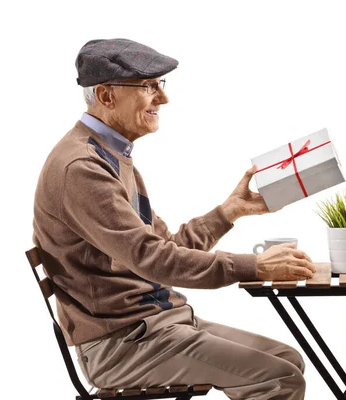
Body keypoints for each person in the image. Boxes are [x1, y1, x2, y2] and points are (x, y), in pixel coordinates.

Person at [32, 38, 316, 400]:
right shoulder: (82, 168)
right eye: (148, 86)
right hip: (121, 344)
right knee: (278, 378)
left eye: (159, 85)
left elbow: (164, 247)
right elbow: (154, 259)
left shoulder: (111, 155)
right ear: (106, 96)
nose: (162, 99)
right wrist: (255, 266)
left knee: (287, 360)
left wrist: (229, 212)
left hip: (157, 325)